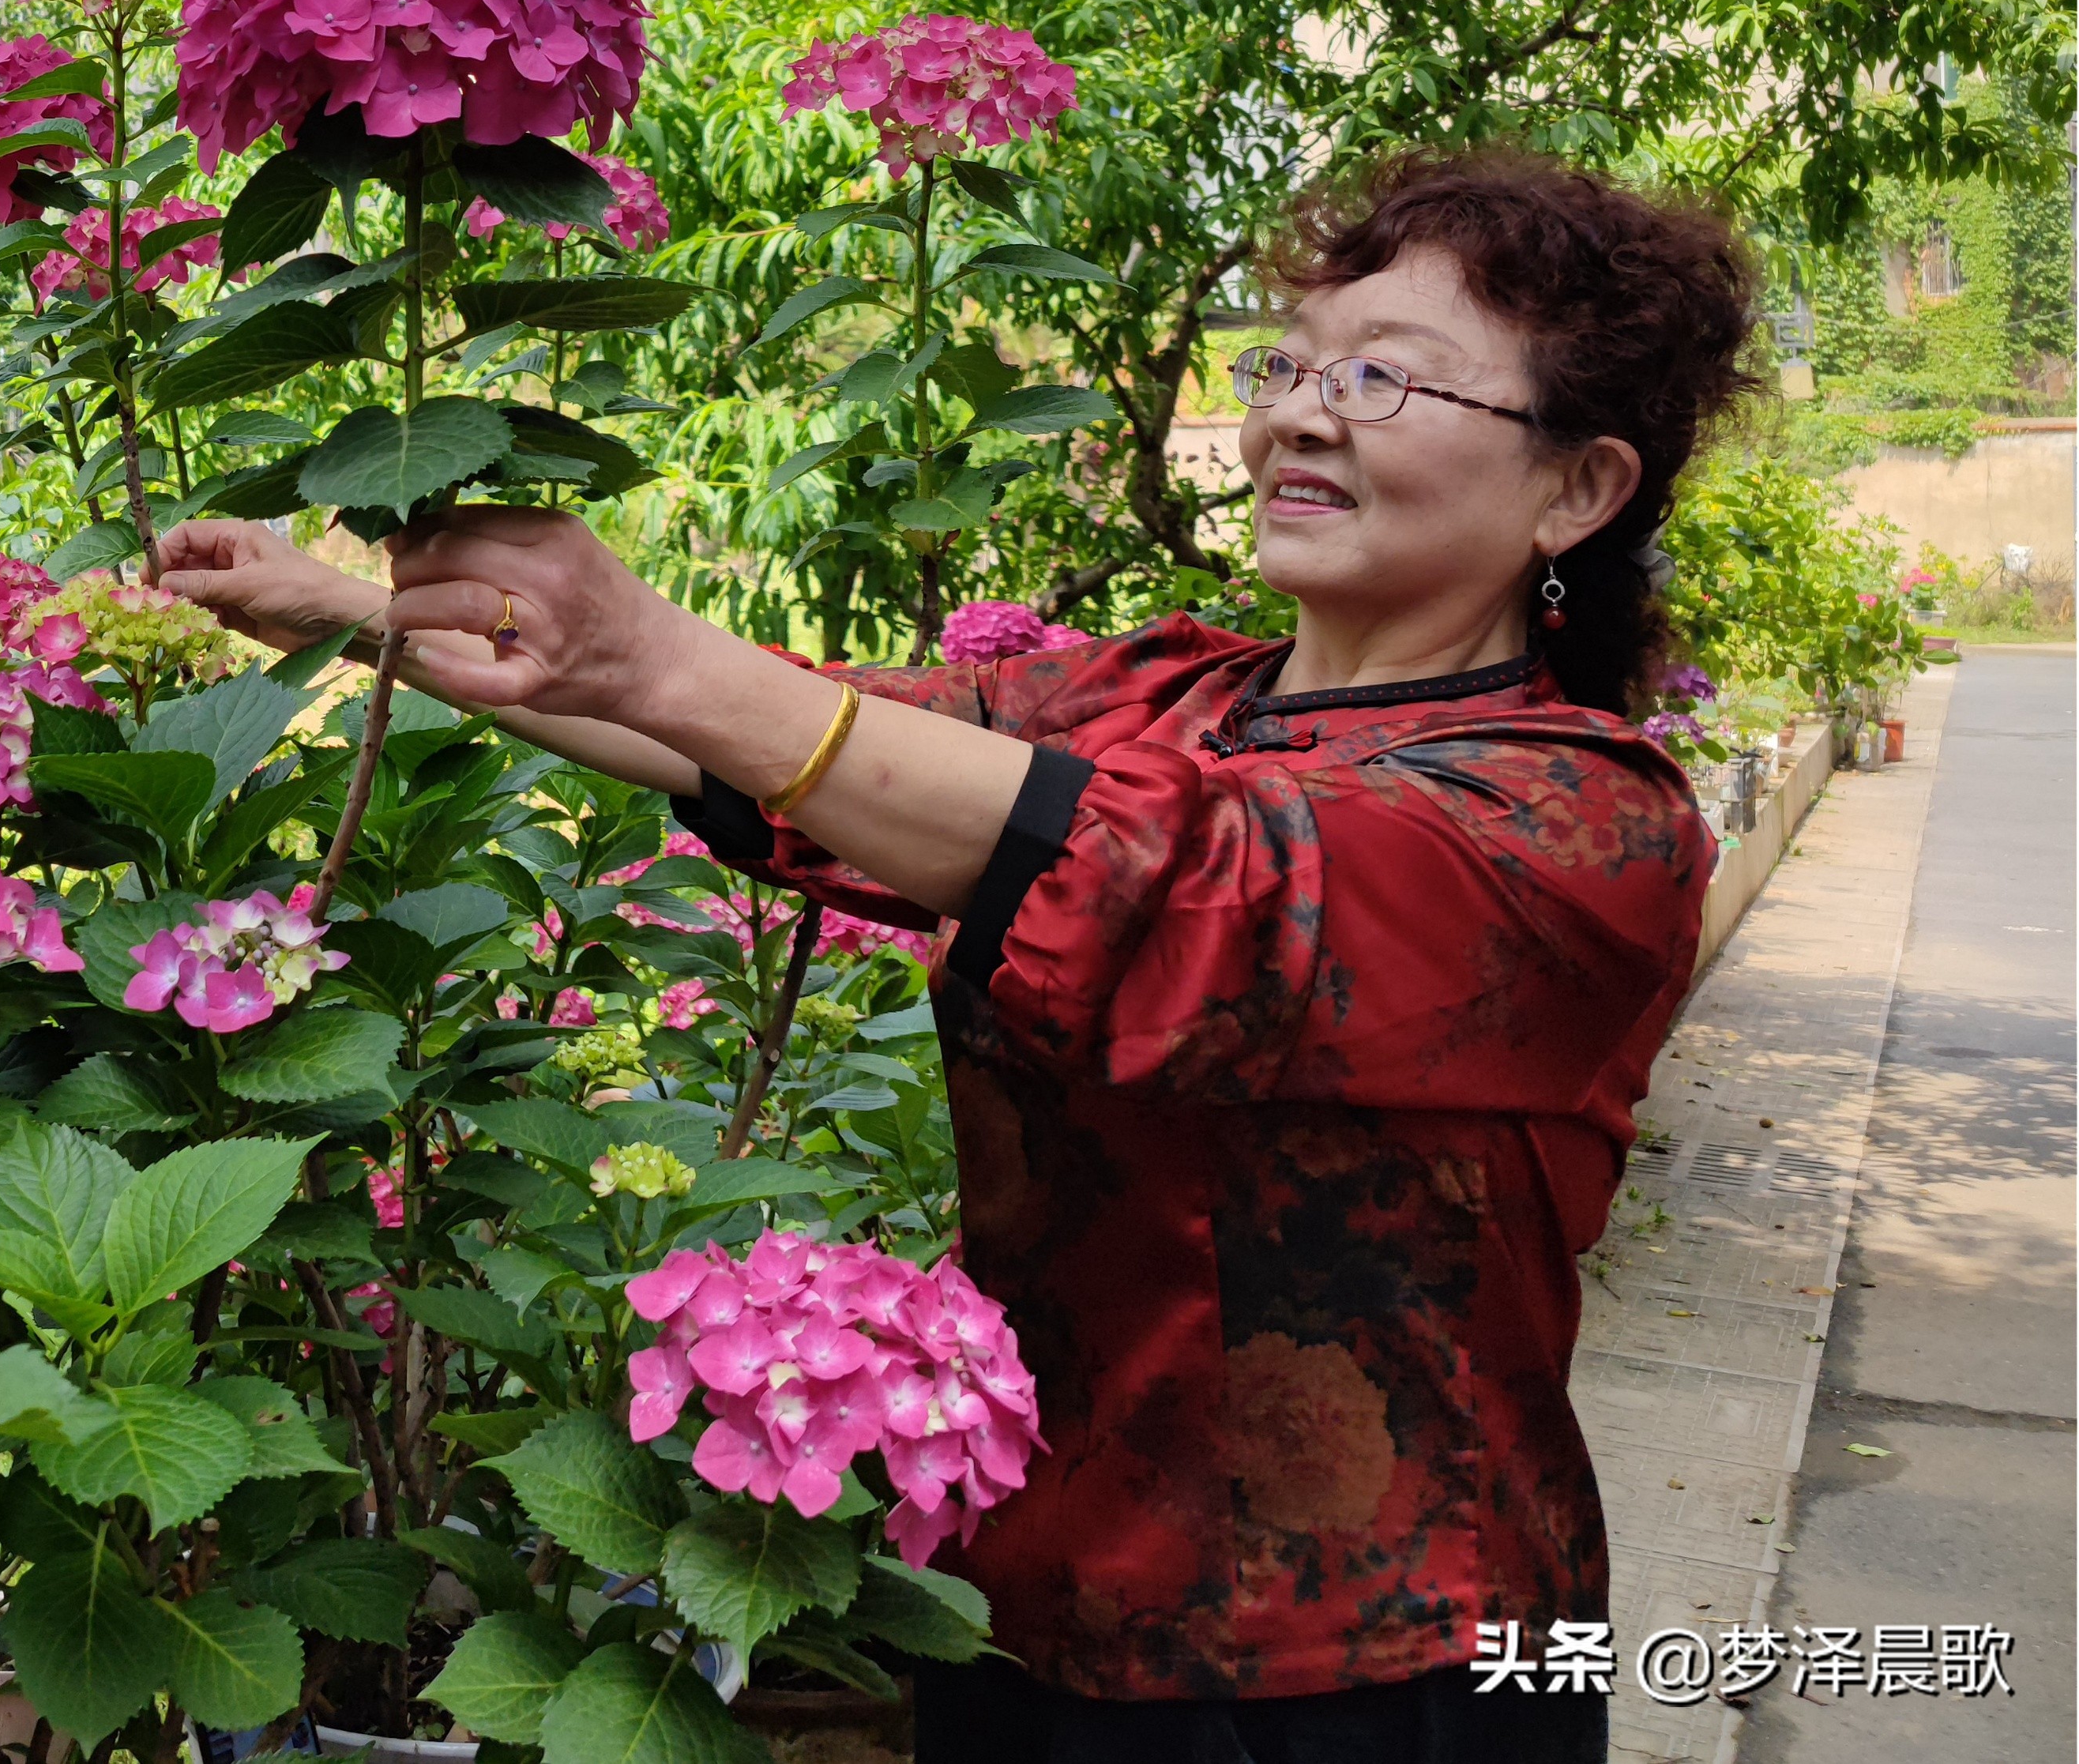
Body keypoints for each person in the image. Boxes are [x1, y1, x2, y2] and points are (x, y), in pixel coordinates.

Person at [156, 146, 1760, 1762]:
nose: (1298, 414)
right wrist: (356, 611)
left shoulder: (1573, 819)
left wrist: (657, 645)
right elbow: (816, 763)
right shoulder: (1172, 694)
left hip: (1376, 1668)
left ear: (1577, 487)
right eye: (1284, 364)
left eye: (1384, 379)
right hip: (1022, 1599)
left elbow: (1171, 877)